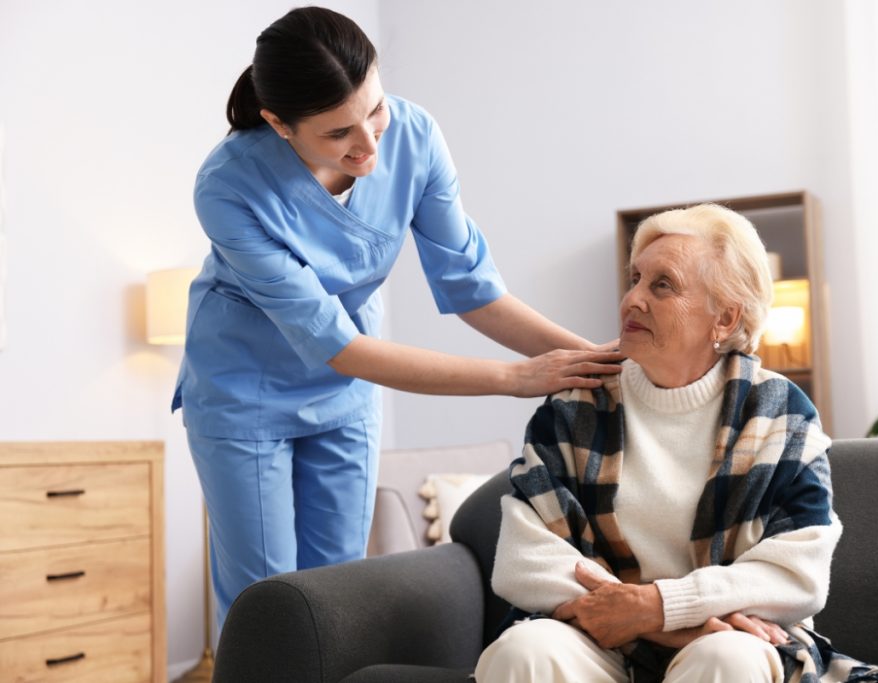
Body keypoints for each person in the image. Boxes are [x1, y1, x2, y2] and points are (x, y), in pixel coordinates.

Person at [172, 7, 622, 628]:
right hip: (246, 390)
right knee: (266, 600)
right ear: (279, 124)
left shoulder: (415, 134)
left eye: (375, 110)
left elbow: (474, 290)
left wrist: (604, 361)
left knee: (335, 590)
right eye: (338, 134)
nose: (369, 144)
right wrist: (518, 378)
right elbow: (340, 346)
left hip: (346, 393)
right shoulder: (228, 186)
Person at [475, 204, 878, 683]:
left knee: (728, 660)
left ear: (726, 319)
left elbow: (797, 574)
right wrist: (644, 619)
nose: (633, 300)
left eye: (662, 285)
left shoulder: (781, 411)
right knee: (524, 651)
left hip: (727, 638)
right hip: (598, 636)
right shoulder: (574, 406)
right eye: (635, 279)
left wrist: (661, 609)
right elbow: (525, 560)